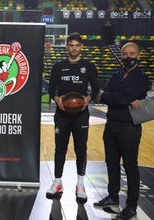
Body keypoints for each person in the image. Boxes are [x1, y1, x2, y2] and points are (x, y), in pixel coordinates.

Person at [94, 42, 150, 219]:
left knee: (130, 167)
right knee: (111, 164)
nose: (128, 57)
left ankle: (131, 207)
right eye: (125, 54)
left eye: (132, 54)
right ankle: (112, 197)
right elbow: (101, 96)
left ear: (138, 56)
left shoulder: (142, 78)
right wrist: (117, 98)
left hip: (129, 128)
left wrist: (111, 97)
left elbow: (116, 97)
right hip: (110, 125)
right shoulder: (116, 75)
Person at [47, 32, 99, 203]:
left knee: (81, 149)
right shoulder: (58, 67)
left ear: (81, 46)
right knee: (59, 149)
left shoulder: (89, 67)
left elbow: (96, 89)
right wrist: (57, 100)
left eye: (77, 45)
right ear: (67, 46)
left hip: (81, 115)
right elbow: (51, 90)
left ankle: (81, 184)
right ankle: (57, 182)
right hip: (62, 114)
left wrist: (88, 99)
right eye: (71, 45)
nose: (74, 48)